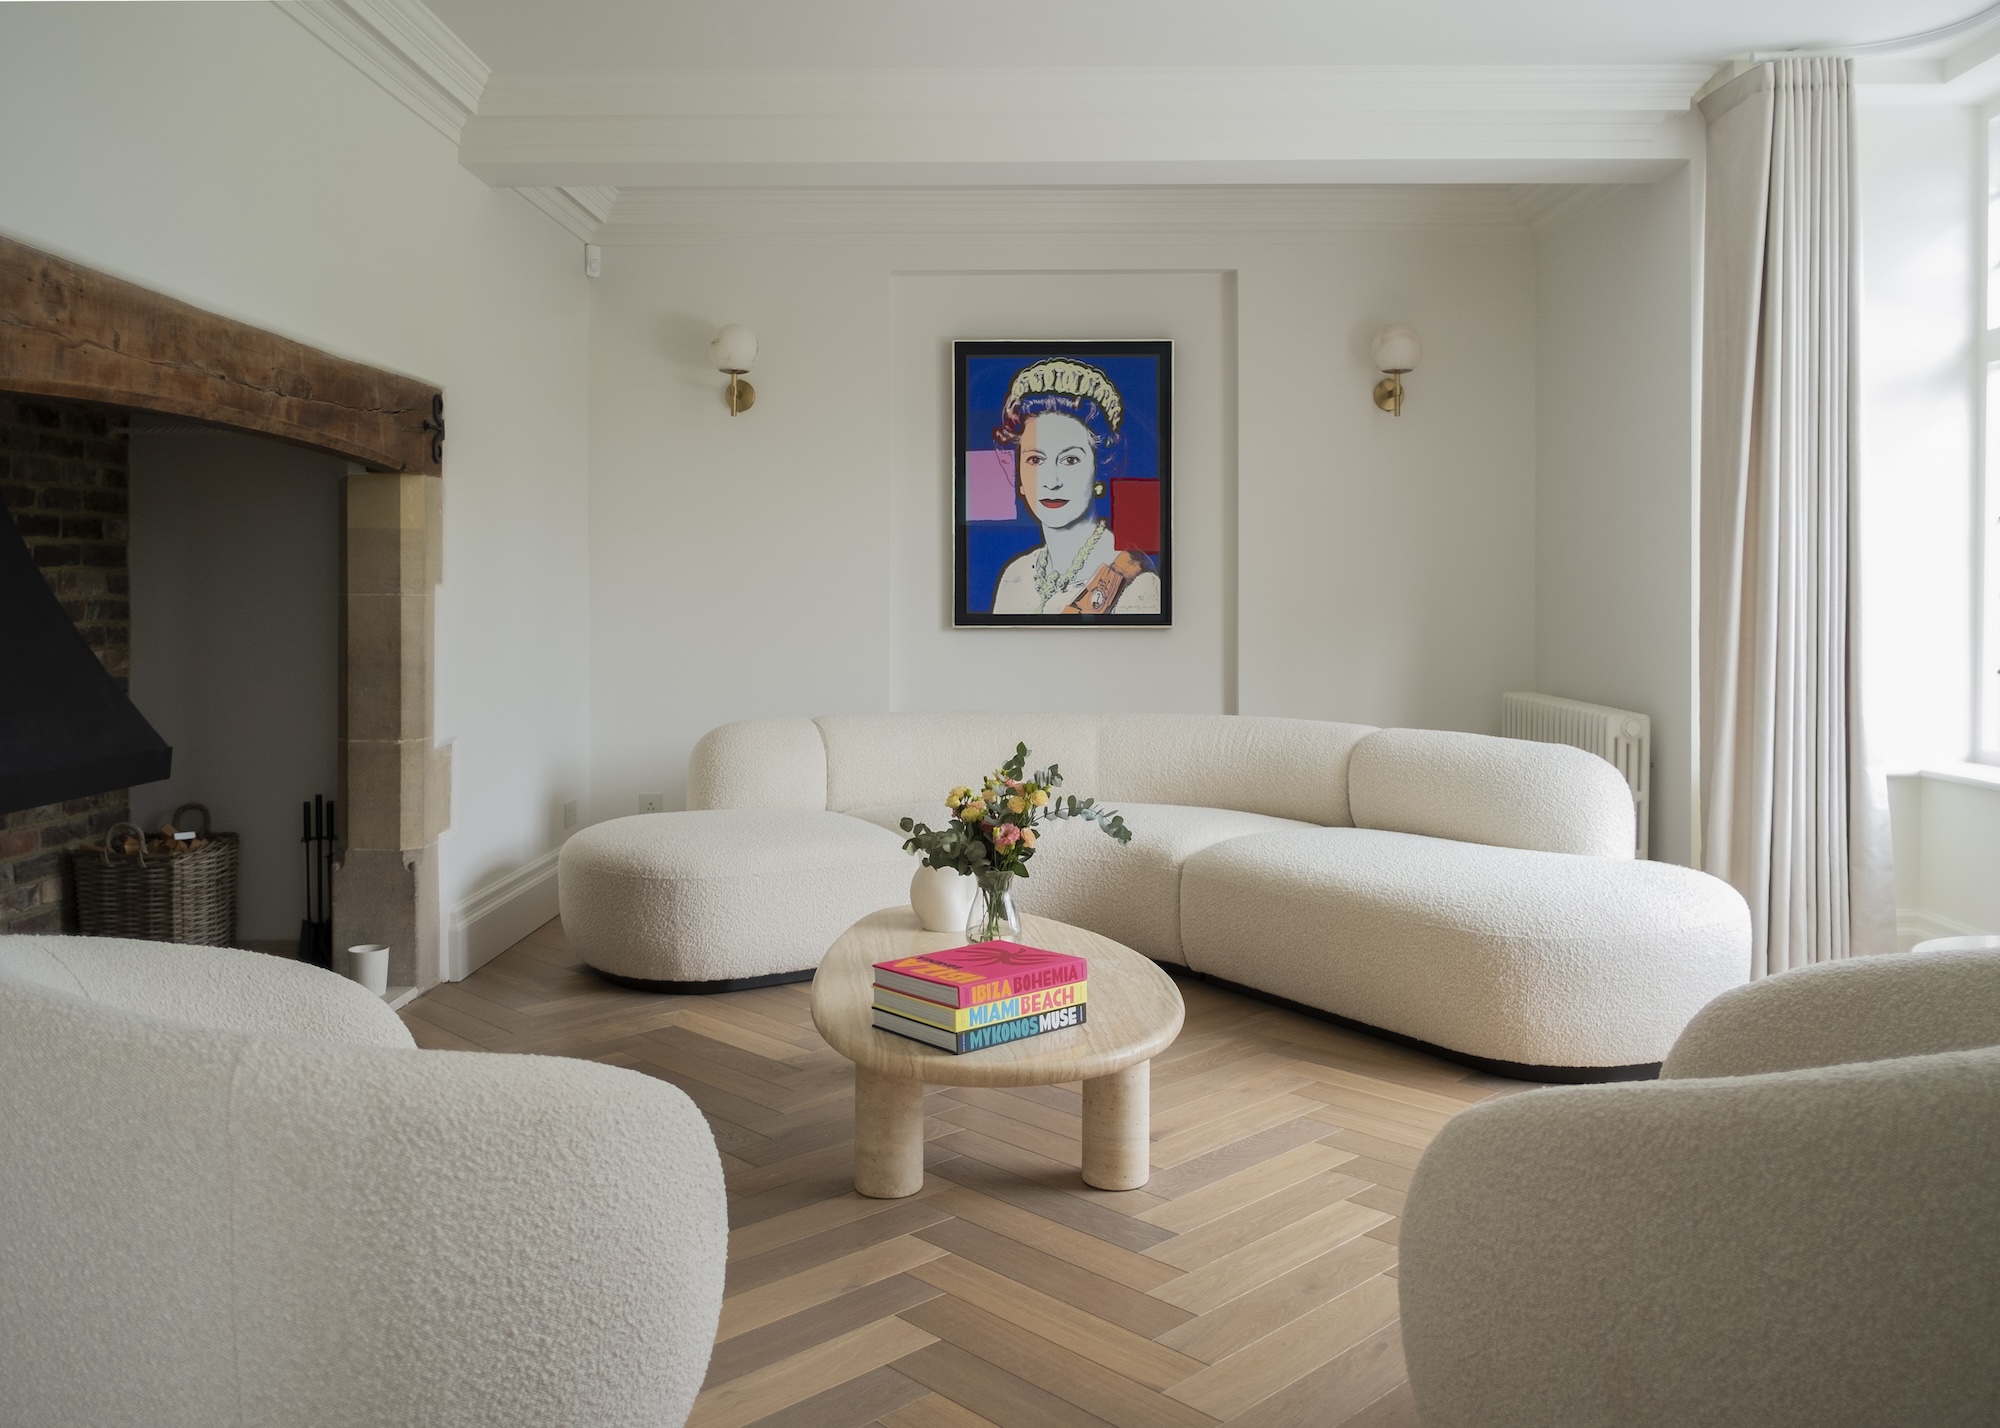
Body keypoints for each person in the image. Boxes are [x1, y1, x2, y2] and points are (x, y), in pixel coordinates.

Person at [988, 359, 1161, 616]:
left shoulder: (1136, 583)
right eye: (1035, 459)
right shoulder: (1015, 576)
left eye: (1070, 460)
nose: (1052, 481)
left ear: (1100, 467)